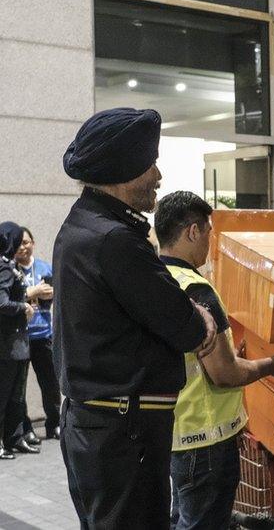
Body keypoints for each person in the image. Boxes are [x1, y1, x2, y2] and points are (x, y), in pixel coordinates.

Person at [54, 108, 218, 529]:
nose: (158, 175)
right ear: (124, 171)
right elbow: (186, 328)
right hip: (125, 433)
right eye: (150, 164)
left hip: (101, 428)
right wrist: (201, 318)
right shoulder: (116, 240)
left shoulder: (82, 224)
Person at [154, 190, 274, 530]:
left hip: (173, 433)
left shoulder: (155, 281)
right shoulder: (197, 289)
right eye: (209, 233)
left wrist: (229, 351)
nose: (211, 243)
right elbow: (223, 374)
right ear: (193, 232)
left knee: (181, 518)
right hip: (208, 438)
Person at [15, 227, 60, 442]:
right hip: (20, 337)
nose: (23, 247)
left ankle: (55, 424)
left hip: (43, 333)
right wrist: (32, 292)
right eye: (18, 243)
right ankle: (26, 428)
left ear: (33, 242)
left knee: (50, 383)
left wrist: (48, 294)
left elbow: (54, 296)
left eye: (26, 242)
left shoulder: (45, 268)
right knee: (19, 388)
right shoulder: (9, 270)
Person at [0, 222, 36, 460]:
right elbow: (1, 302)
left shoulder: (10, 266)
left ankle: (15, 438)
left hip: (19, 343)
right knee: (4, 396)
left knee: (17, 397)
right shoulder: (3, 268)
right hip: (7, 344)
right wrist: (22, 306)